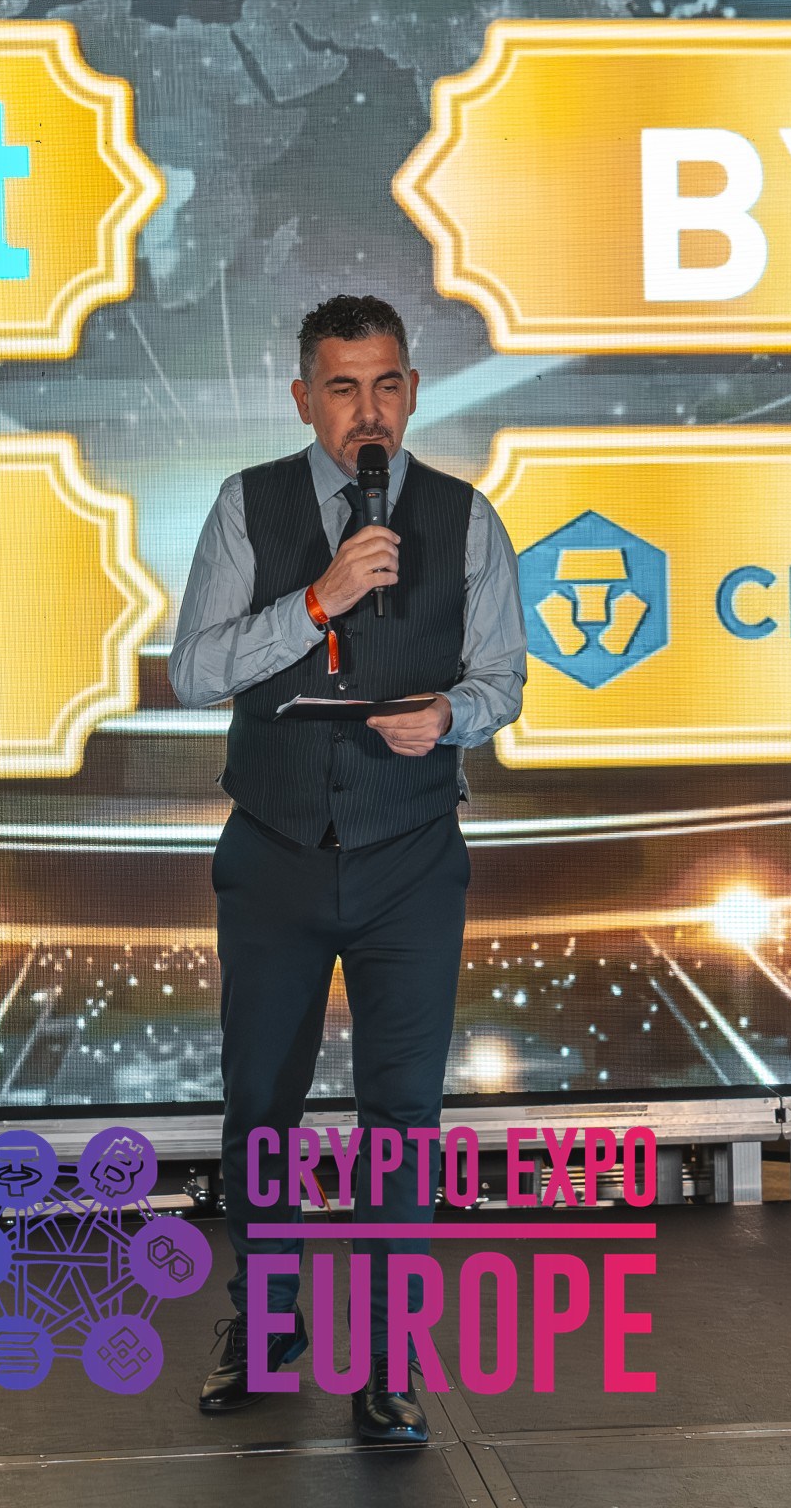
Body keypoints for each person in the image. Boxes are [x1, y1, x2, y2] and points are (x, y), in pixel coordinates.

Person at [167, 294, 527, 1444]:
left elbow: (504, 678)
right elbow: (193, 670)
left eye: (385, 385)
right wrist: (317, 600)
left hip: (409, 855)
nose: (366, 411)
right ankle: (269, 1324)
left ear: (411, 391)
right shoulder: (247, 504)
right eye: (341, 387)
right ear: (303, 398)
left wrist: (450, 715)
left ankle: (387, 1359)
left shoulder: (466, 519)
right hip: (272, 853)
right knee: (261, 1107)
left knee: (401, 1117)